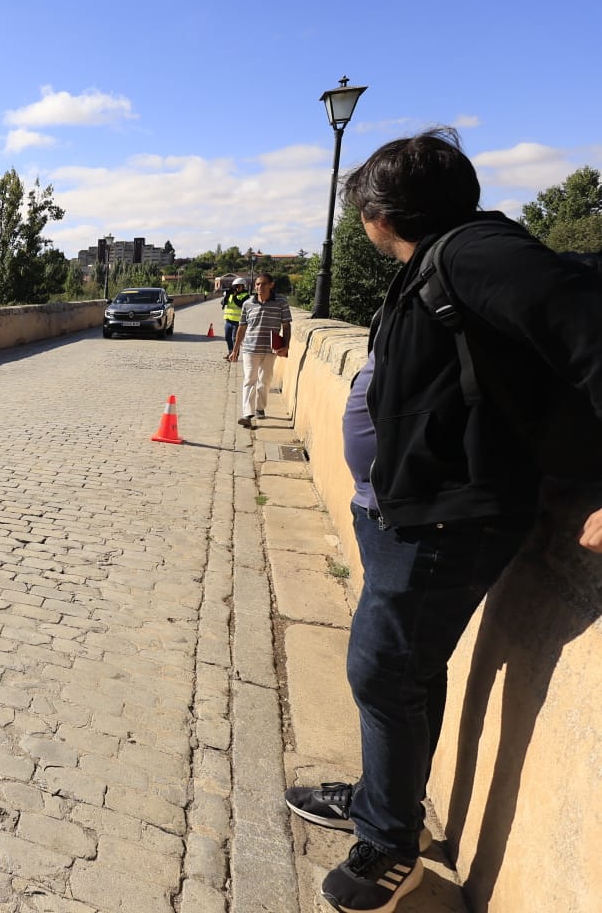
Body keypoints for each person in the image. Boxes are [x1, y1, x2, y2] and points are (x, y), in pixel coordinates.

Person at [282, 128, 602, 913]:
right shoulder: (442, 258)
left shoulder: (473, 253)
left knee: (383, 670)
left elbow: (588, 326)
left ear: (382, 213)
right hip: (413, 511)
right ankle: (381, 802)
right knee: (405, 672)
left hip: (449, 519)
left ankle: (390, 845)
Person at [226, 273, 291, 427]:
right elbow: (242, 327)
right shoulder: (248, 303)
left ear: (271, 285)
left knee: (265, 380)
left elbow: (286, 325)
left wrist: (286, 345)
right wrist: (235, 349)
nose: (259, 287)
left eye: (262, 284)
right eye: (257, 284)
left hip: (270, 349)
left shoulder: (281, 302)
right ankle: (247, 414)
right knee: (249, 379)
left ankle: (260, 408)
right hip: (250, 348)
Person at [220, 277, 252, 352]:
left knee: (235, 339)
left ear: (243, 286)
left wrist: (234, 296)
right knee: (227, 338)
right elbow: (222, 303)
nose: (237, 288)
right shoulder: (230, 294)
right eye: (235, 286)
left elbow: (240, 304)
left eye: (239, 286)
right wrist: (226, 295)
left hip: (238, 322)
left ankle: (235, 355)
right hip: (228, 321)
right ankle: (230, 352)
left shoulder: (246, 296)